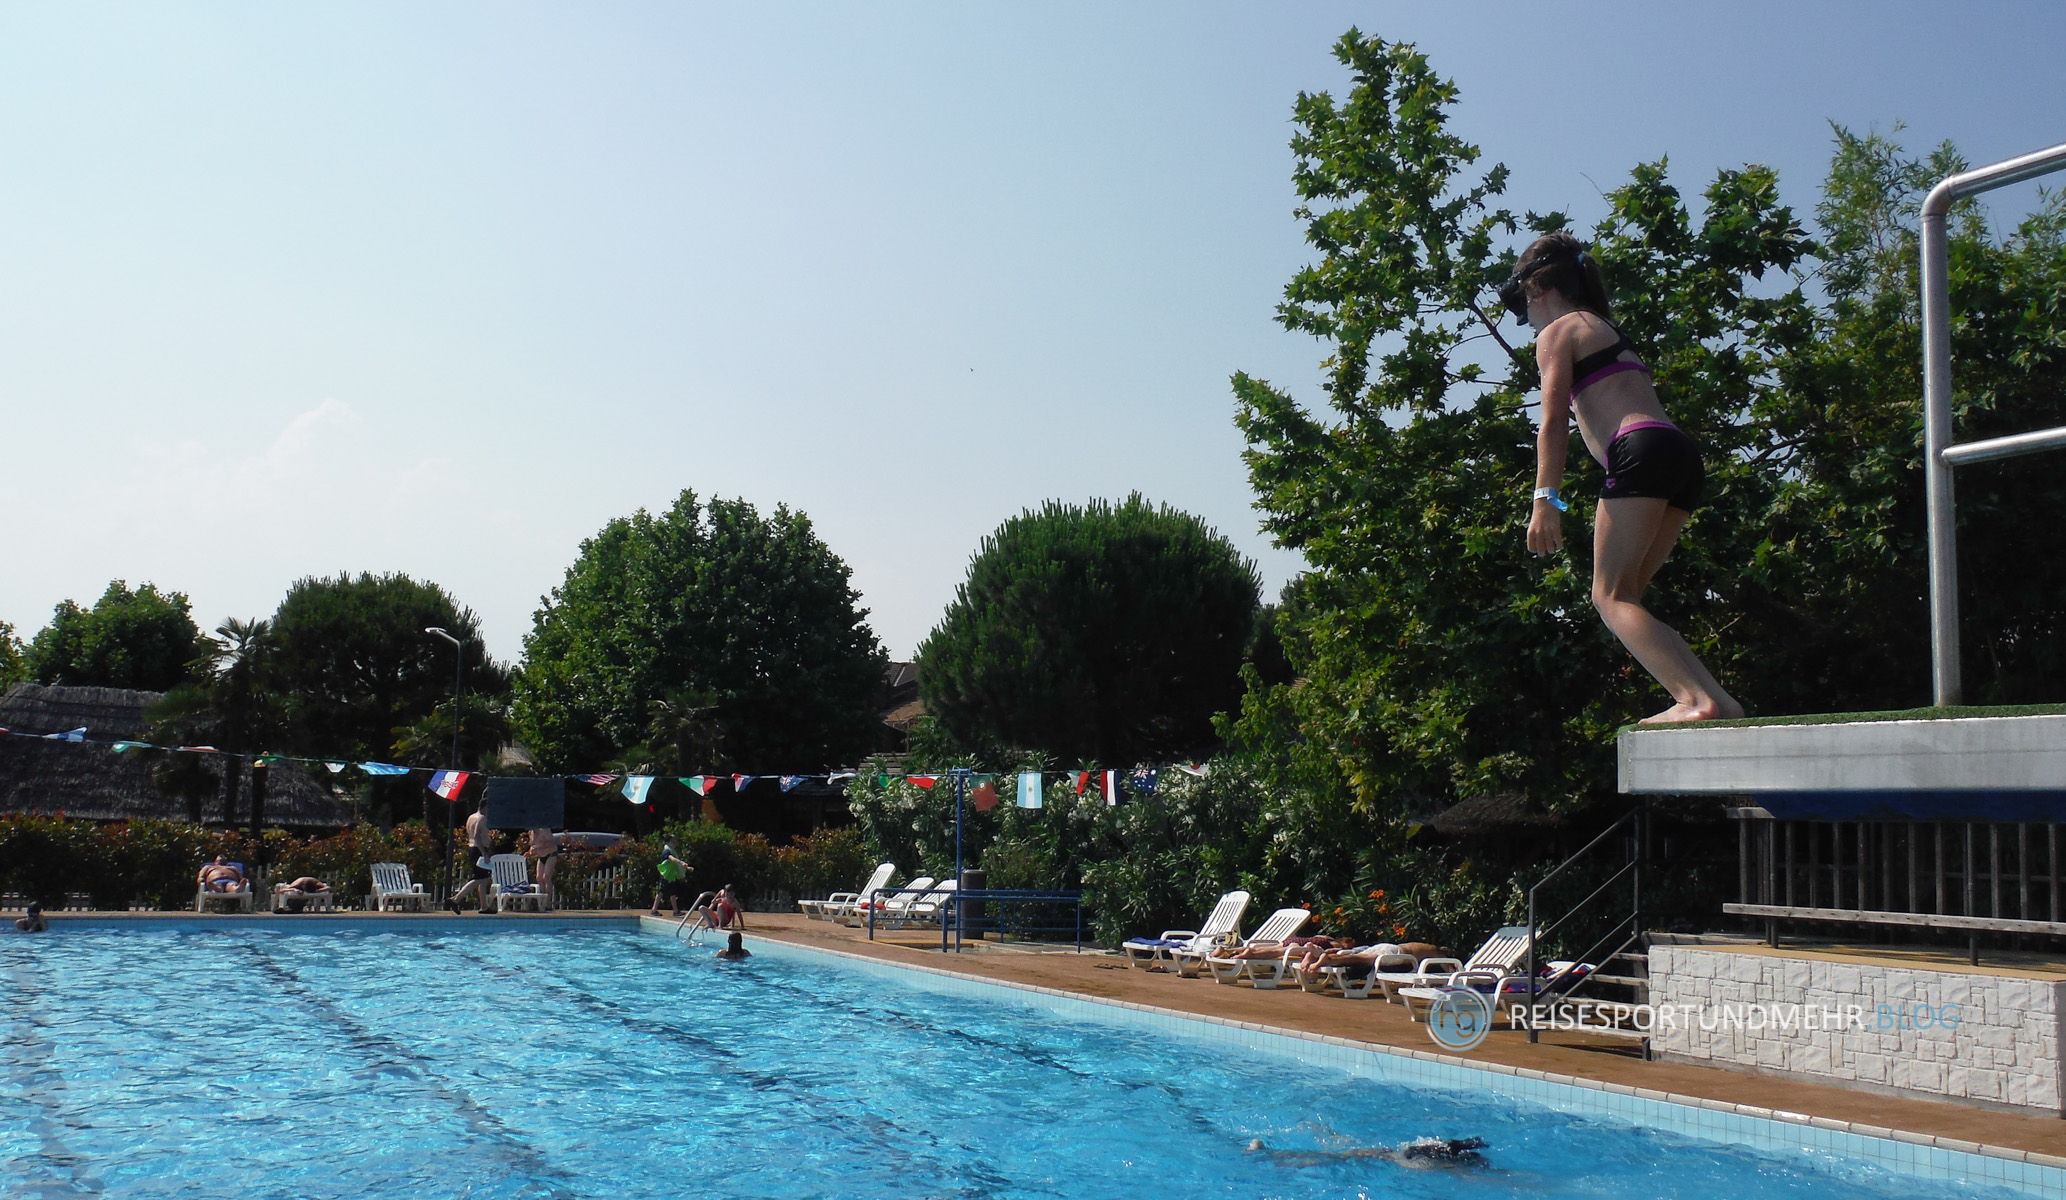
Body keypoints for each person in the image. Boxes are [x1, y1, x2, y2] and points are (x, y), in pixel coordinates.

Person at [1505, 232, 1743, 725]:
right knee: (1628, 594)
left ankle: (1695, 701)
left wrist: (1545, 499)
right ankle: (1716, 700)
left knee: (1607, 595)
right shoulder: (1604, 326)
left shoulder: (1558, 332)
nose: (1526, 317)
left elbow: (1552, 422)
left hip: (1638, 452)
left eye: (1522, 303)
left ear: (1537, 290)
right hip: (1677, 454)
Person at [1246, 1136, 1487, 1169]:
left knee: (1333, 1156)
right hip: (1386, 1156)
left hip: (1390, 1152)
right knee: (1332, 1158)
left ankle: (1272, 1154)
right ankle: (1271, 1155)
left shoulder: (1423, 1151)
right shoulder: (1442, 1166)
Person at [448, 806, 497, 914]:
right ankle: (455, 899)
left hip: (473, 848)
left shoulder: (471, 817)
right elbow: (476, 835)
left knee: (484, 879)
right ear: (485, 807)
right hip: (479, 850)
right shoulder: (482, 818)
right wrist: (484, 852)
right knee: (479, 879)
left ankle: (484, 906)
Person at [648, 845, 695, 917]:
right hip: (666, 876)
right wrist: (681, 862)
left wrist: (687, 868)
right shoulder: (666, 851)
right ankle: (654, 910)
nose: (675, 843)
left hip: (671, 876)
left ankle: (675, 911)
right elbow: (672, 859)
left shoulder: (672, 851)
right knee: (661, 892)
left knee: (671, 893)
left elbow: (676, 863)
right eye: (673, 841)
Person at [526, 827, 560, 904]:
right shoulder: (531, 832)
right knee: (539, 878)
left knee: (546, 877)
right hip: (541, 856)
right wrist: (530, 852)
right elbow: (533, 845)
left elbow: (551, 843)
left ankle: (548, 902)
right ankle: (543, 900)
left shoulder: (544, 830)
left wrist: (540, 848)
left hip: (551, 854)